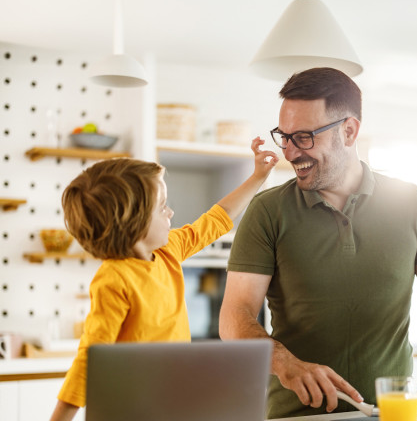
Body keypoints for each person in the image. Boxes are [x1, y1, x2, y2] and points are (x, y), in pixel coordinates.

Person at [219, 67, 417, 418]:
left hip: (392, 414)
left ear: (349, 131)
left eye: (304, 137)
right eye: (285, 136)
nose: (290, 153)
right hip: (296, 416)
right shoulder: (267, 211)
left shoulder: (412, 203)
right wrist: (286, 364)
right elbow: (234, 317)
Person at [49, 138, 279, 421]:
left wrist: (258, 177)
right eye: (161, 207)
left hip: (171, 396)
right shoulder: (113, 279)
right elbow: (90, 358)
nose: (170, 212)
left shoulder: (170, 250)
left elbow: (218, 218)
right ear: (133, 222)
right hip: (130, 407)